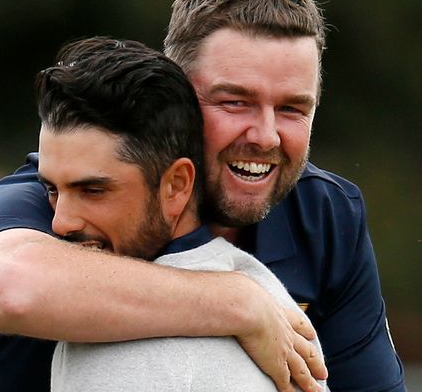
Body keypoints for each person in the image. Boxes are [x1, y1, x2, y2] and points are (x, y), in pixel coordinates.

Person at [0, 0, 404, 392]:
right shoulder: (64, 190)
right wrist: (240, 303)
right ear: (174, 94)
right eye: (234, 101)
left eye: (292, 109)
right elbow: (10, 288)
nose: (265, 136)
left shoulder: (325, 214)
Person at [31, 36, 326, 391]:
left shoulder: (121, 350)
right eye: (50, 189)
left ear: (176, 186)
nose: (60, 223)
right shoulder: (268, 296)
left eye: (94, 191)